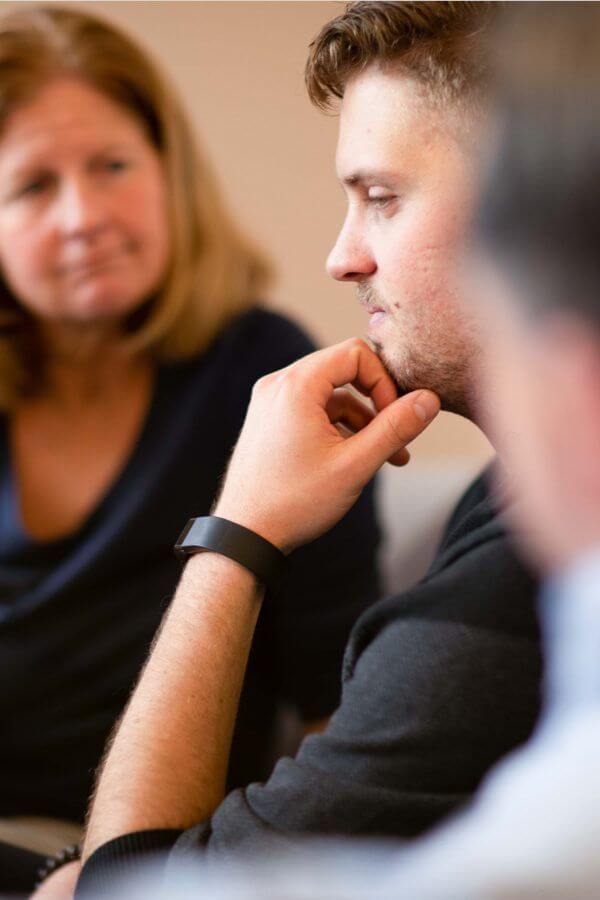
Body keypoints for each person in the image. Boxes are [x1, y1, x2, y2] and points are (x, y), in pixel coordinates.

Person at [37, 1, 547, 894]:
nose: (341, 257)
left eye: (381, 198)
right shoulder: (514, 500)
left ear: (533, 208)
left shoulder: (502, 608)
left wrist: (239, 530)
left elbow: (129, 889)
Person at [0, 6, 383, 893]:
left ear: (169, 172)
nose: (83, 216)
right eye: (30, 187)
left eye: (113, 166)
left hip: (147, 861)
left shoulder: (264, 378)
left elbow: (341, 711)